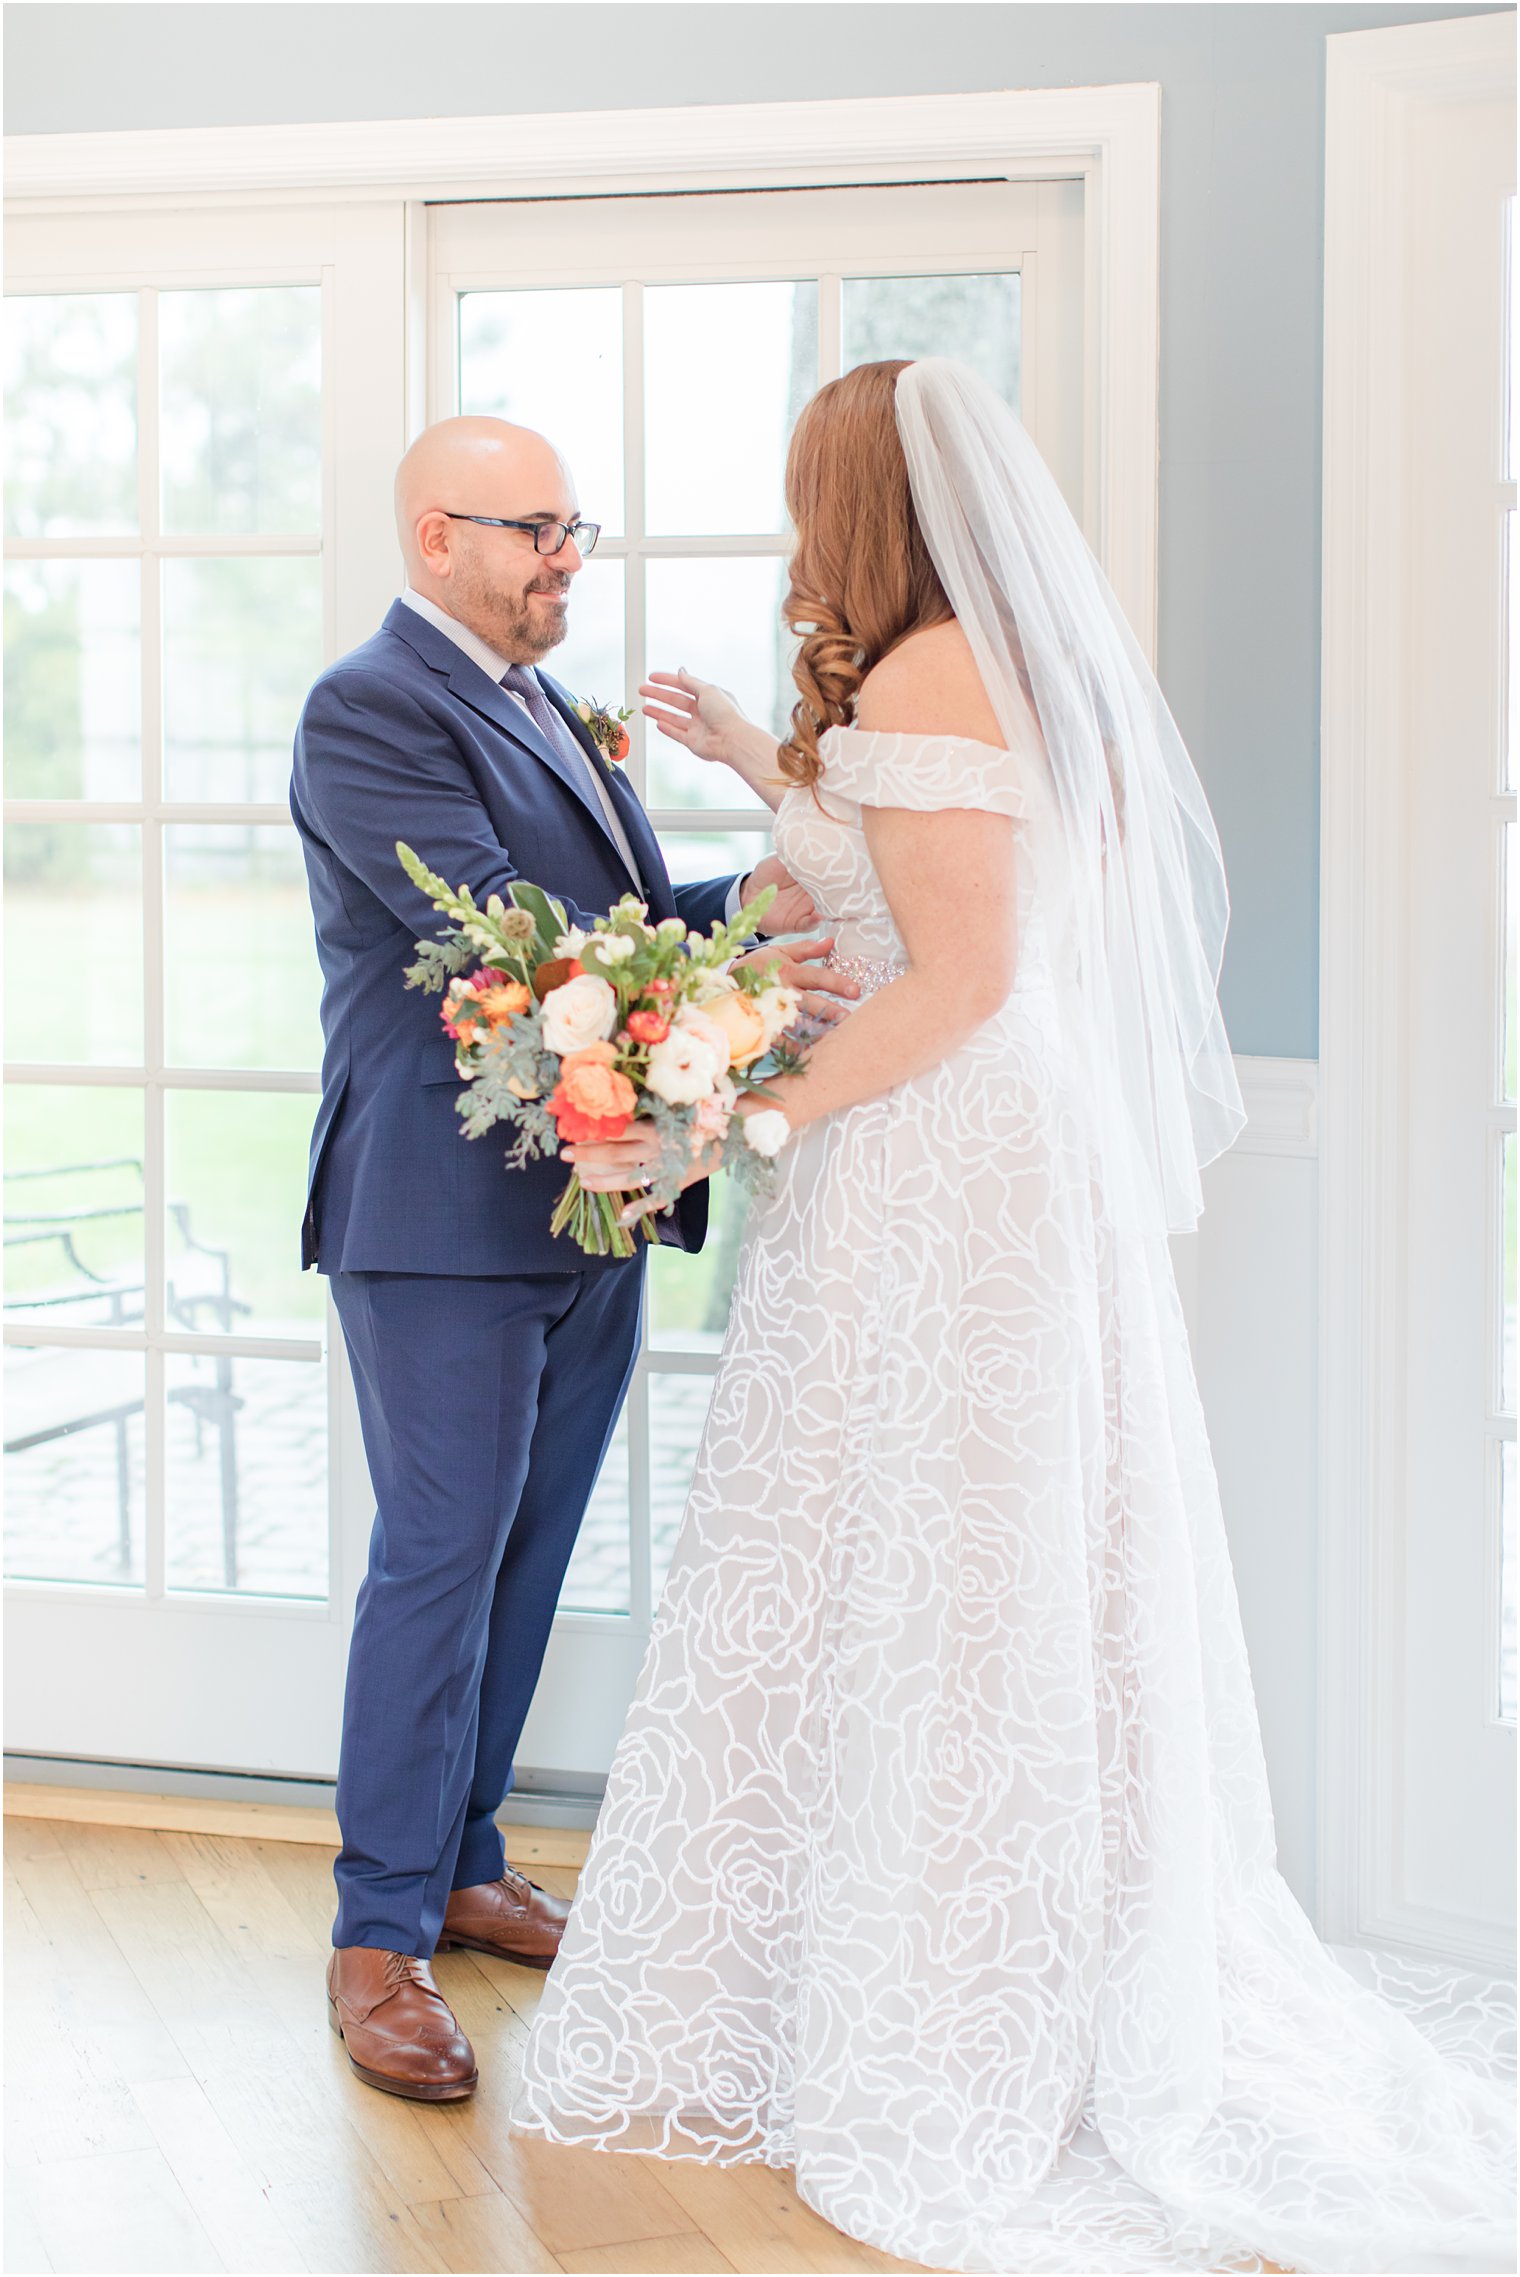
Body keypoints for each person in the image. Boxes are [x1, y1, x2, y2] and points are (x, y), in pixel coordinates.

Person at [507, 362, 1516, 2272]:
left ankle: (948, 2013)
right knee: (943, 1555)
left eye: (811, 490)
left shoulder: (921, 672)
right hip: (969, 1153)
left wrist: (753, 1110)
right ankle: (929, 1971)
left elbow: (954, 973)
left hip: (942, 1152)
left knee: (940, 1567)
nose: (800, 525)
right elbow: (900, 855)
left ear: (860, 499)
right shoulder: (967, 667)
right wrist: (752, 755)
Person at [289, 414, 853, 2103]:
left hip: (595, 1201)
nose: (565, 556)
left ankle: (464, 1859)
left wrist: (748, 898)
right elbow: (501, 941)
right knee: (442, 1560)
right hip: (443, 1218)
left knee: (526, 1555)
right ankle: (376, 1931)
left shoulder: (543, 706)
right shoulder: (371, 705)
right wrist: (718, 959)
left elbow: (600, 931)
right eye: (533, 527)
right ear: (431, 536)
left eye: (574, 525)